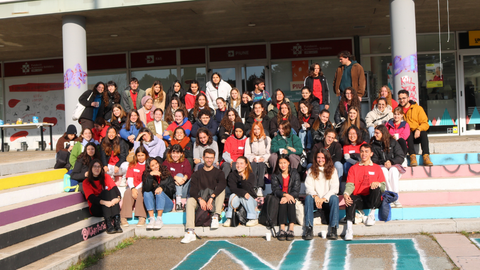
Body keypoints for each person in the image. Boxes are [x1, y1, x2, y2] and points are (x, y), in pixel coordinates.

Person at [181, 149, 226, 244]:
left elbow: (222, 184)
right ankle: (190, 231)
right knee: (190, 201)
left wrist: (211, 197)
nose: (209, 160)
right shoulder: (197, 174)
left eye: (211, 158)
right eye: (207, 157)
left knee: (222, 190)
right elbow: (192, 190)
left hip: (213, 200)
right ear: (203, 158)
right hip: (200, 198)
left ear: (214, 159)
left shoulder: (219, 172)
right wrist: (200, 199)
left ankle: (216, 216)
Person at [343, 144, 386, 241]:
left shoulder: (377, 168)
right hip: (359, 199)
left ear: (371, 153)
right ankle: (349, 228)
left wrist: (378, 184)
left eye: (366, 151)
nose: (364, 153)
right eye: (362, 151)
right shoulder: (354, 168)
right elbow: (350, 185)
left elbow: (383, 187)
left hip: (372, 200)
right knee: (349, 198)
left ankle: (371, 215)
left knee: (376, 187)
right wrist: (346, 194)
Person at [304, 148, 340, 240]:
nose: (320, 160)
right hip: (315, 200)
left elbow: (334, 188)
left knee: (334, 198)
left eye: (323, 158)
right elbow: (308, 187)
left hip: (326, 201)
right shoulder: (311, 170)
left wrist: (324, 198)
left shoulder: (333, 170)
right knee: (308, 198)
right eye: (318, 157)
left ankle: (333, 228)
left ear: (327, 158)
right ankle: (308, 228)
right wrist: (315, 197)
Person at [83, 159, 123, 234]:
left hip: (110, 205)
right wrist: (105, 203)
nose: (97, 169)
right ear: (90, 168)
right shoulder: (86, 182)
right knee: (105, 192)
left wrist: (117, 199)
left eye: (99, 167)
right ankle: (109, 224)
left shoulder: (106, 177)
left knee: (111, 191)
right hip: (96, 207)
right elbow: (92, 198)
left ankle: (117, 223)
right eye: (94, 166)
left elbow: (116, 191)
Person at [371, 125, 405, 207]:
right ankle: (390, 196)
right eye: (374, 133)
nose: (375, 135)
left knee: (393, 171)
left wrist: (391, 162)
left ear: (383, 133)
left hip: (394, 166)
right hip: (382, 166)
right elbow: (374, 159)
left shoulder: (393, 142)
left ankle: (395, 196)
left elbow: (400, 156)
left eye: (377, 133)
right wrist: (384, 163)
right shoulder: (374, 145)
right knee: (383, 171)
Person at [398, 90, 433, 167]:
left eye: (404, 98)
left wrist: (418, 129)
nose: (402, 100)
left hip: (417, 133)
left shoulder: (418, 108)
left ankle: (426, 156)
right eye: (400, 99)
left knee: (423, 133)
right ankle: (412, 156)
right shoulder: (397, 110)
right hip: (406, 135)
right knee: (408, 132)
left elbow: (425, 123)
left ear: (408, 98)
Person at [271, 154, 301, 241]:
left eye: (284, 162)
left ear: (288, 163)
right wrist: (285, 195)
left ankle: (291, 229)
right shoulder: (275, 174)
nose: (282, 165)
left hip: (292, 196)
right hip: (280, 196)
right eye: (280, 163)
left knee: (290, 202)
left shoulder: (294, 173)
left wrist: (289, 196)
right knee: (282, 202)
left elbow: (296, 189)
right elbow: (275, 189)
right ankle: (282, 229)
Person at [223, 156, 259, 227]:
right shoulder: (232, 175)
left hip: (250, 200)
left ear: (246, 165)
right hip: (237, 200)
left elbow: (248, 189)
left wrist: (243, 180)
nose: (239, 166)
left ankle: (253, 218)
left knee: (245, 196)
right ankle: (229, 218)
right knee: (233, 195)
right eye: (237, 163)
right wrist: (243, 193)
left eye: (241, 163)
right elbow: (233, 188)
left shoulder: (251, 175)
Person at [142, 157, 175, 230]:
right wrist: (150, 176)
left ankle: (159, 219)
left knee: (159, 192)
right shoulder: (147, 175)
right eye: (152, 165)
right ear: (149, 168)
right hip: (154, 204)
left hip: (167, 203)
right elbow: (146, 189)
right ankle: (152, 219)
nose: (156, 166)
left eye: (156, 164)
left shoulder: (166, 173)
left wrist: (162, 188)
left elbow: (172, 190)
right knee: (146, 193)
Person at [120, 146, 149, 227]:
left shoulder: (148, 165)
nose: (140, 157)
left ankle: (141, 216)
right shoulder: (132, 164)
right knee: (127, 192)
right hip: (133, 186)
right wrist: (132, 188)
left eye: (142, 155)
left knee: (141, 192)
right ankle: (123, 216)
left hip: (143, 186)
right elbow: (130, 178)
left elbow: (145, 180)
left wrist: (136, 189)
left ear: (146, 155)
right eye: (138, 155)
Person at [244, 121, 271, 197]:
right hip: (253, 160)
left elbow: (269, 153)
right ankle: (254, 186)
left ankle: (260, 186)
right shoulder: (249, 140)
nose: (256, 131)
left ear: (261, 129)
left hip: (263, 160)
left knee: (261, 165)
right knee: (254, 165)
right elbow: (247, 154)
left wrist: (263, 158)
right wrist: (252, 158)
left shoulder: (267, 139)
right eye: (255, 129)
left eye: (258, 129)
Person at [163, 144, 193, 211]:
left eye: (177, 153)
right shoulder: (166, 162)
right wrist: (175, 177)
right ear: (170, 153)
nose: (175, 155)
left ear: (181, 154)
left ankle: (187, 202)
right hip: (173, 189)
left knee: (193, 178)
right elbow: (165, 173)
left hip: (184, 187)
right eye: (173, 153)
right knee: (179, 175)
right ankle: (178, 202)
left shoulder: (185, 161)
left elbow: (188, 172)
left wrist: (184, 179)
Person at [341, 126, 367, 194]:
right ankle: (350, 185)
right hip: (352, 164)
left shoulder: (363, 144)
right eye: (350, 134)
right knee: (346, 165)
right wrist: (356, 162)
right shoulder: (346, 145)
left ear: (358, 134)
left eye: (354, 133)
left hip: (362, 164)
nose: (352, 136)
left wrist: (360, 163)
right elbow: (347, 158)